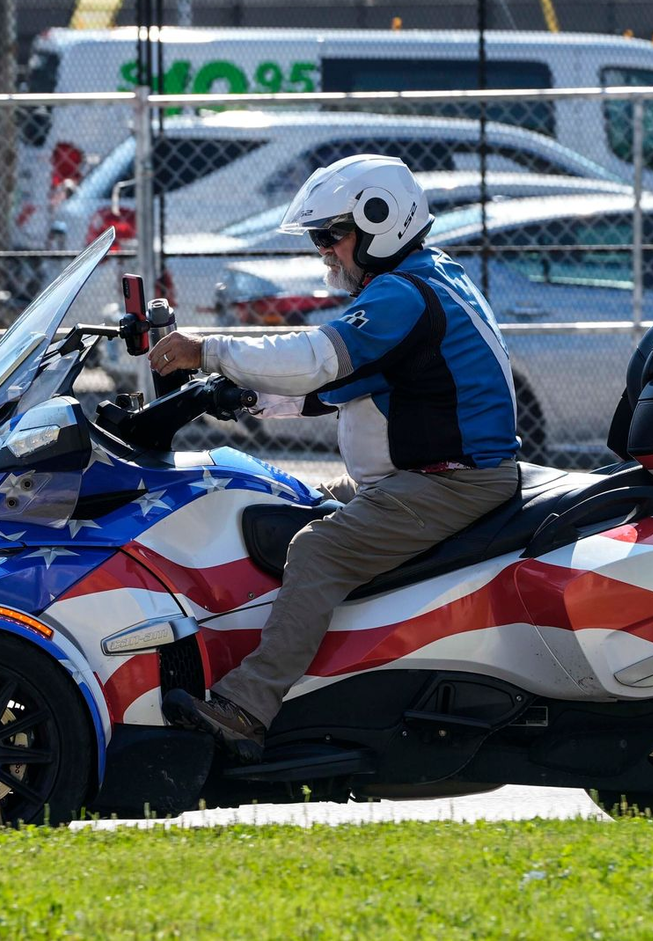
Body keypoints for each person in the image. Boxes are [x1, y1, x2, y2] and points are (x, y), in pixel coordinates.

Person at [158, 154, 520, 762]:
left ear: (381, 222)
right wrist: (237, 396)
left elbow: (317, 358)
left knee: (317, 548)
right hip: (429, 481)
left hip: (452, 484)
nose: (323, 251)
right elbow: (331, 390)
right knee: (279, 503)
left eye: (332, 235)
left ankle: (247, 707)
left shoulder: (402, 295)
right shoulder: (421, 279)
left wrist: (209, 349)